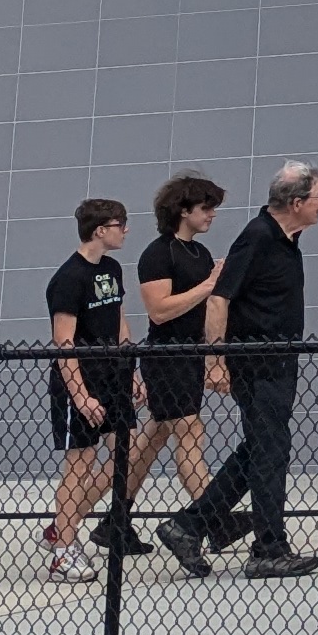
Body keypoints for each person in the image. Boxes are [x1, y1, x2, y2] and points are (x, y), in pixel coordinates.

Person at [157, 163, 318, 581]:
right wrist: (216, 361)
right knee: (269, 451)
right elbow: (219, 299)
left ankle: (189, 526)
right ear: (297, 202)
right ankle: (268, 548)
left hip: (278, 363)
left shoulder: (286, 240)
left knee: (260, 448)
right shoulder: (259, 236)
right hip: (256, 365)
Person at [43, 200, 138, 580]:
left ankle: (60, 526)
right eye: (120, 224)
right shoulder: (68, 278)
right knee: (80, 465)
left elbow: (119, 321)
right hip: (79, 382)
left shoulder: (113, 269)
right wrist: (80, 396)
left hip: (114, 378)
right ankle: (63, 550)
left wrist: (131, 373)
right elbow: (63, 342)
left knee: (122, 458)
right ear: (100, 230)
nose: (125, 230)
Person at [130, 174, 229, 526]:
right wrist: (208, 285)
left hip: (191, 355)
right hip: (166, 356)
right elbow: (159, 310)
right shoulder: (159, 254)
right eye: (206, 208)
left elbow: (206, 311)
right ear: (183, 210)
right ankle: (212, 520)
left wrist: (216, 360)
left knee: (153, 438)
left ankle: (114, 519)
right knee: (189, 429)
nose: (212, 215)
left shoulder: (199, 253)